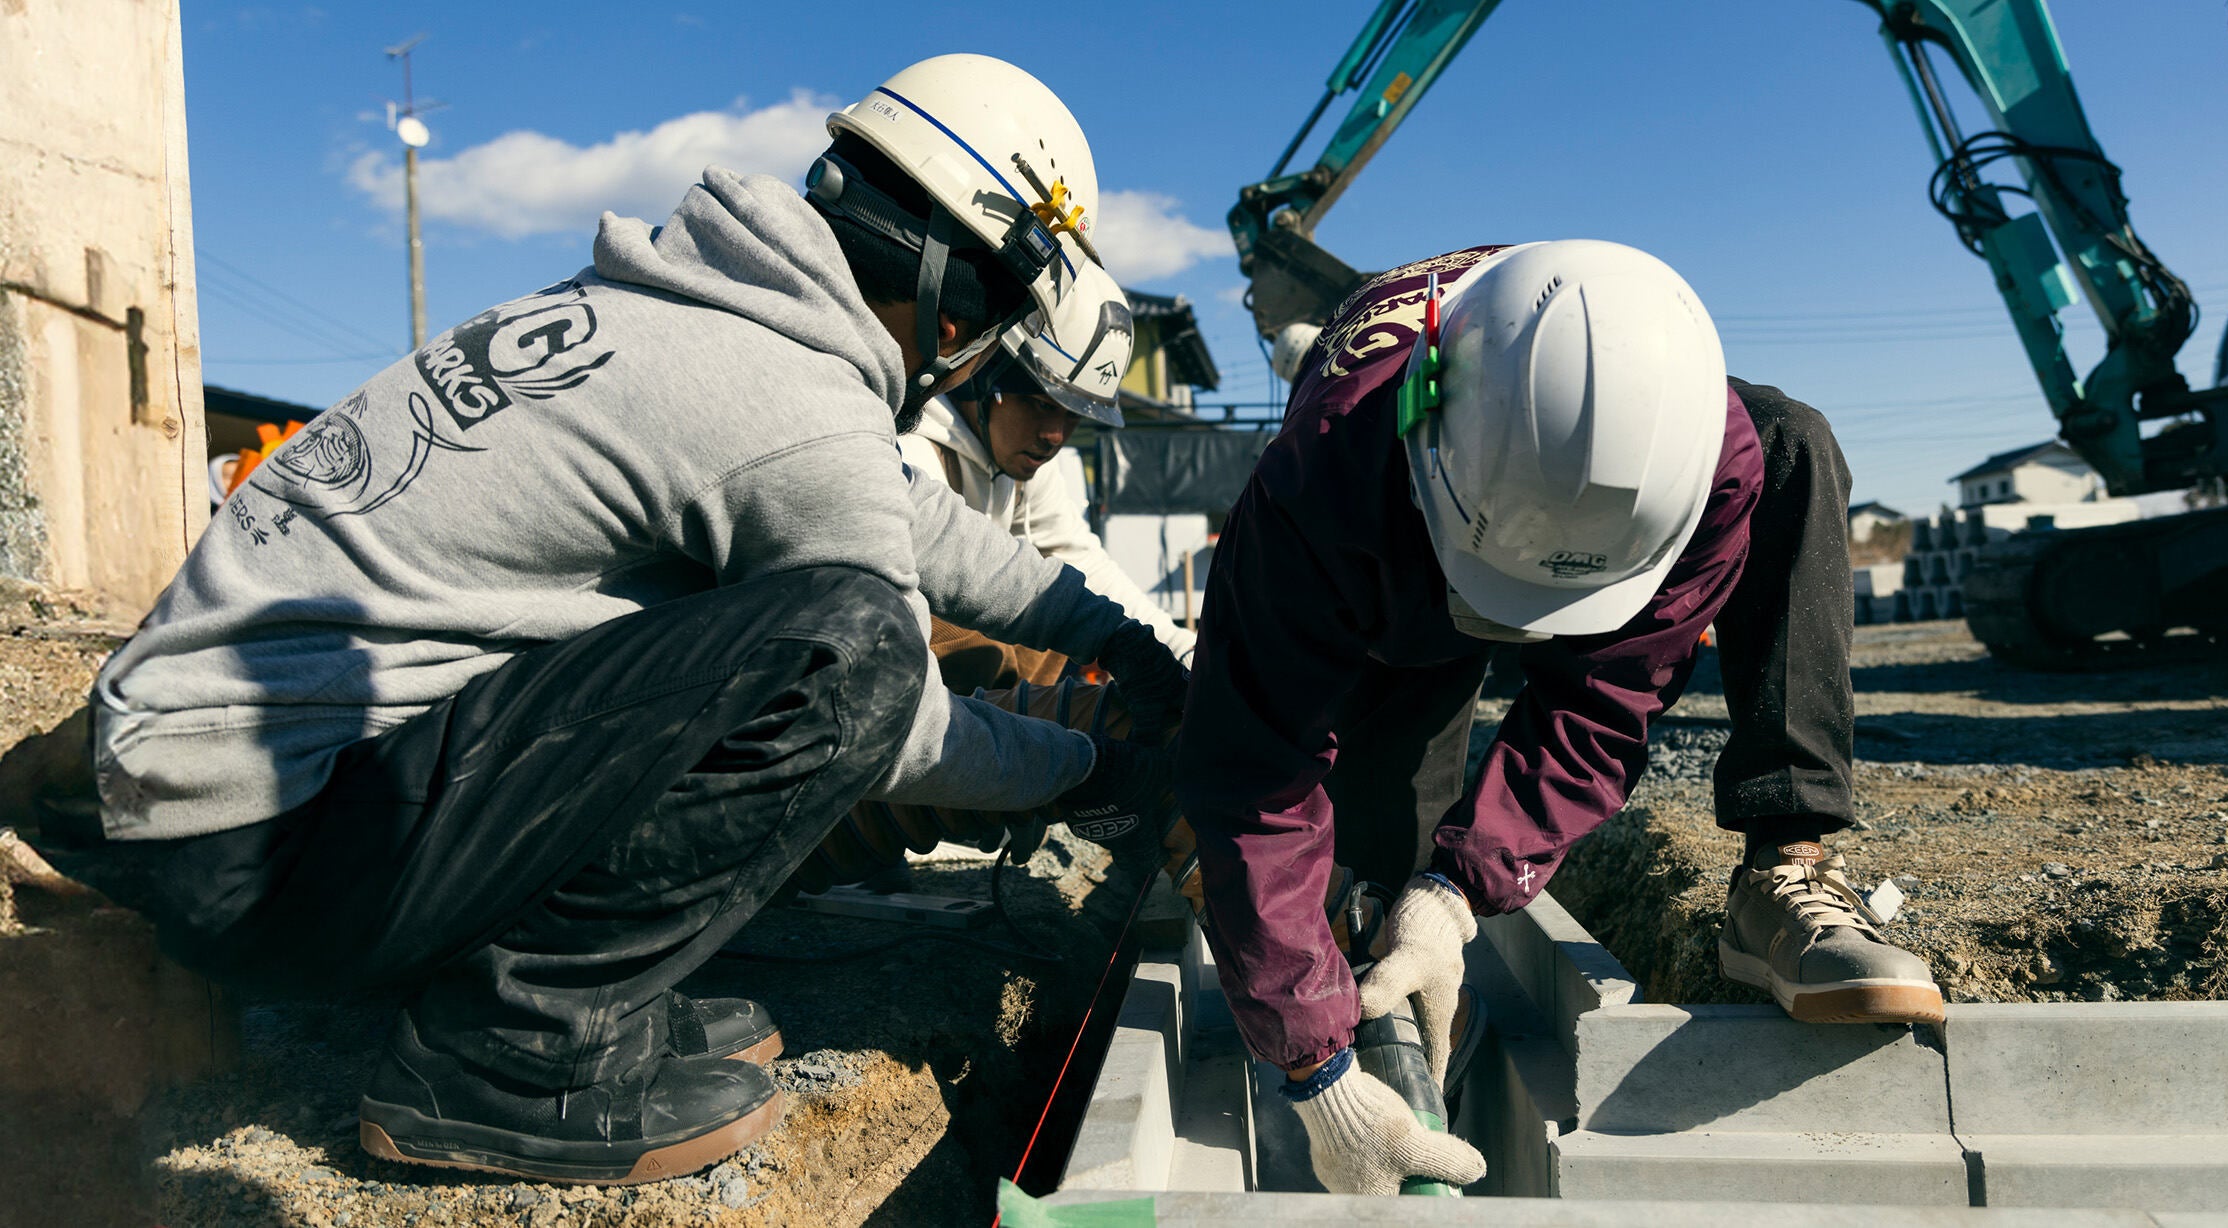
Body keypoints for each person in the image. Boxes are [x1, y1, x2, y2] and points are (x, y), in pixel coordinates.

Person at [54, 55, 1183, 1186]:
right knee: (856, 651)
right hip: (268, 850)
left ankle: (573, 996)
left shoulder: (694, 315)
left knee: (803, 623)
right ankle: (516, 1052)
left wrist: (1115, 638)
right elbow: (897, 727)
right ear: (961, 289)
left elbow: (910, 520)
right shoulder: (781, 393)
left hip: (225, 804)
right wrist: (1089, 769)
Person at [1174, 241, 1944, 1197]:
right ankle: (1374, 1014)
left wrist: (1460, 888)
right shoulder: (1326, 477)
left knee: (1799, 439)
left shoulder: (1714, 465)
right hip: (1400, 556)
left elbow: (1600, 705)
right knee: (1367, 859)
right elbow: (1255, 774)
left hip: (1570, 527)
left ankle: (1786, 865)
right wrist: (1315, 1072)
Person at [903, 266, 1198, 693]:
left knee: (1070, 597)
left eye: (1073, 416)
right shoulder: (910, 448)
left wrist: (1184, 652)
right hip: (892, 689)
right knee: (969, 635)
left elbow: (1081, 558)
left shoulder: (1022, 459)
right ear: (985, 377)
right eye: (1040, 405)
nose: (1054, 437)